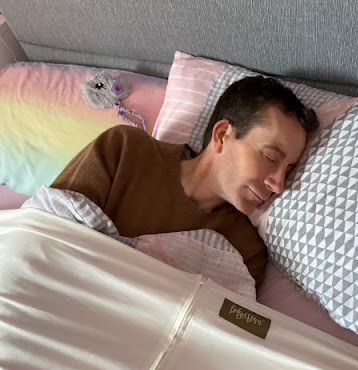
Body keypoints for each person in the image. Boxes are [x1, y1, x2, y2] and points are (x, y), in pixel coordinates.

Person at [50, 76, 318, 286]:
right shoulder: (126, 151)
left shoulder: (244, 250)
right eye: (271, 157)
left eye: (289, 169)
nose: (279, 184)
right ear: (223, 134)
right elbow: (45, 233)